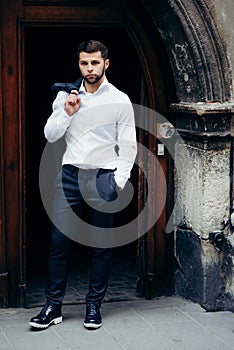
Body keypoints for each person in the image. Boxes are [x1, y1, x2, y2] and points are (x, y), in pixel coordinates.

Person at [29, 40, 137, 330]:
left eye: (94, 63)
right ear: (78, 64)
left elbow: (128, 144)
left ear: (106, 64)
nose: (89, 68)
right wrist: (67, 111)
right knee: (58, 243)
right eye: (84, 63)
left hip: (104, 177)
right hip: (70, 177)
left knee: (101, 246)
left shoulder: (119, 99)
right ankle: (53, 307)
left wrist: (118, 180)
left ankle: (94, 306)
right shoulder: (66, 95)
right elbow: (51, 135)